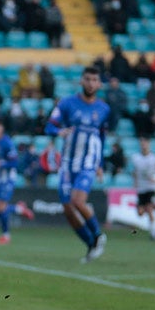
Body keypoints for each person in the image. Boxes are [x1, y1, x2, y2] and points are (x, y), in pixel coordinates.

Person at [45, 66, 110, 263]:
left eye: (94, 80)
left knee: (78, 201)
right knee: (68, 210)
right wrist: (59, 132)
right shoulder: (67, 104)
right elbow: (49, 126)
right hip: (67, 163)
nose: (91, 83)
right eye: (87, 79)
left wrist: (99, 163)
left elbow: (102, 136)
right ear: (81, 81)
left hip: (88, 162)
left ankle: (99, 236)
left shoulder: (104, 109)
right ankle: (91, 244)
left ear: (99, 84)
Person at [0, 117, 35, 245]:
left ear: (2, 129)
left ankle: (6, 235)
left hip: (7, 179)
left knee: (0, 207)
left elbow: (15, 162)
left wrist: (0, 164)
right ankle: (19, 208)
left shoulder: (7, 143)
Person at [130, 137, 155, 240]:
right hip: (141, 188)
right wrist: (135, 182)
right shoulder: (136, 158)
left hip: (152, 188)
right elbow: (134, 172)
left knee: (149, 209)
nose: (143, 145)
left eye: (145, 142)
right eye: (141, 143)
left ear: (149, 144)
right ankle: (152, 213)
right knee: (140, 213)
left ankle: (153, 233)